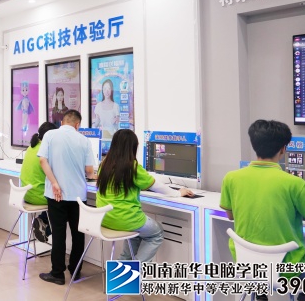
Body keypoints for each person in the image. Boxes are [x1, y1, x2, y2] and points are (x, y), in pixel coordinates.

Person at [220, 120, 305, 301]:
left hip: (248, 264)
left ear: (254, 145)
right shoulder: (295, 184)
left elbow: (230, 215)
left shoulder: (231, 178)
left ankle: (260, 293)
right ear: (283, 149)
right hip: (287, 269)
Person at [96, 129, 194, 262]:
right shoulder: (132, 167)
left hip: (105, 219)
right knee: (156, 233)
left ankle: (124, 267)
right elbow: (156, 186)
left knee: (136, 235)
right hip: (125, 220)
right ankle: (137, 269)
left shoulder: (104, 165)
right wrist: (178, 192)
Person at [37, 110, 97, 285]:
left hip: (56, 195)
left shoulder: (50, 135)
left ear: (62, 122)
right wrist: (95, 175)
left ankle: (57, 274)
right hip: (78, 195)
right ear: (77, 125)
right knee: (78, 235)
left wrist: (54, 183)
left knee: (58, 234)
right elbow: (89, 171)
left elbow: (42, 161)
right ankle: (75, 270)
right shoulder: (84, 140)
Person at [20, 121, 58, 243]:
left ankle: (43, 220)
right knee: (64, 206)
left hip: (26, 195)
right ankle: (45, 227)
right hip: (38, 197)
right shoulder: (46, 151)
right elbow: (56, 174)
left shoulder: (31, 147)